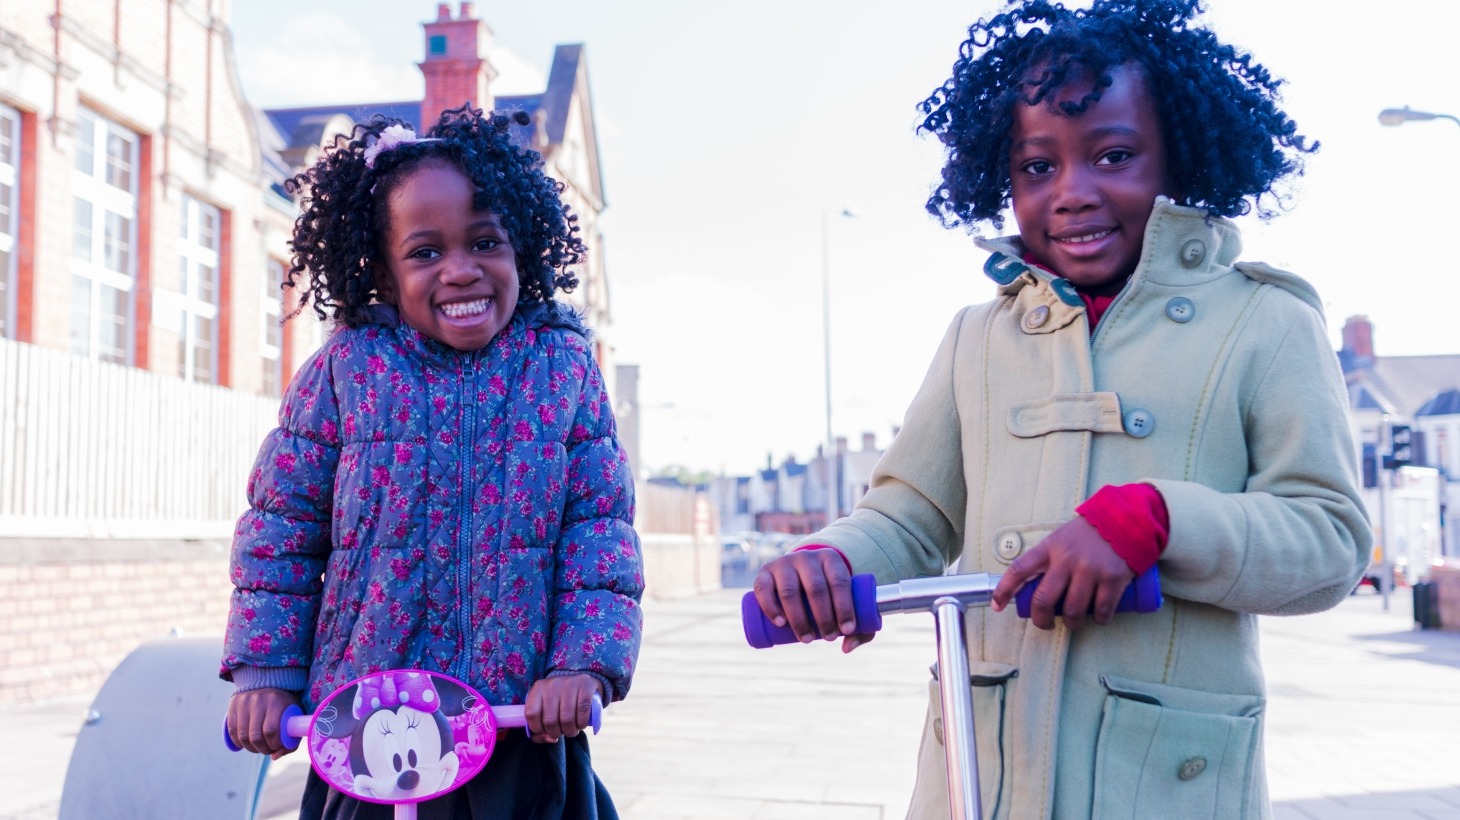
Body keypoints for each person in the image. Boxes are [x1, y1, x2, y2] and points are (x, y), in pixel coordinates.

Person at [751, 1, 1370, 817]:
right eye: (1037, 167)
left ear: (1177, 157)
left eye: (1114, 155)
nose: (1072, 193)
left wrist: (1158, 520)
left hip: (1168, 779)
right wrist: (831, 560)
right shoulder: (977, 336)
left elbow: (1330, 538)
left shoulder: (1268, 323)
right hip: (982, 776)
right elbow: (907, 516)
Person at [221, 104, 643, 820]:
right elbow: (281, 535)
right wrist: (266, 674)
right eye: (425, 252)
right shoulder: (343, 374)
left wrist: (584, 663)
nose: (460, 270)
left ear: (525, 249)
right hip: (368, 734)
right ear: (382, 270)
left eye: (485, 242)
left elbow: (598, 534)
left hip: (520, 731)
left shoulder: (562, 367)